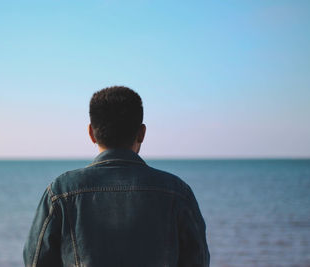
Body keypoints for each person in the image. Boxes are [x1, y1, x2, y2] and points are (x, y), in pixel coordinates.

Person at [23, 86, 210, 267]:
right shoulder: (177, 193)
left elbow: (35, 261)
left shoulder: (61, 192)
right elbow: (198, 260)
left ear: (91, 133)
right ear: (142, 133)